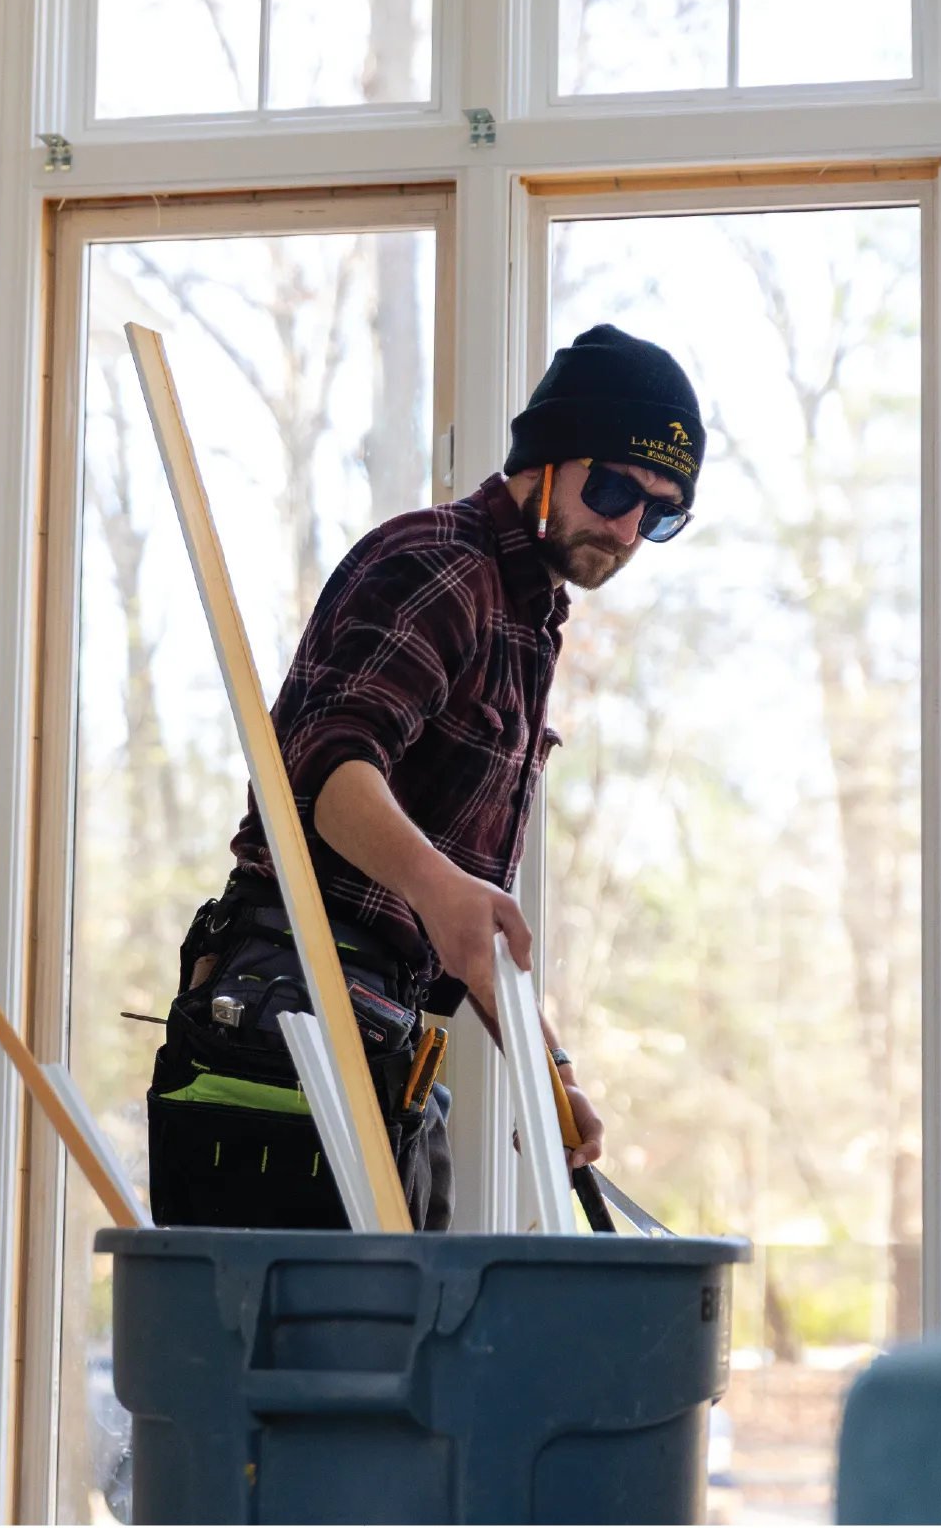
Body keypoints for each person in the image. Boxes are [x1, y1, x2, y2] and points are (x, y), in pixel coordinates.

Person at [145, 323, 706, 1231]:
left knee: (405, 1357)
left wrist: (546, 1069)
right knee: (311, 1365)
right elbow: (321, 771)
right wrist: (439, 887)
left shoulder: (529, 621)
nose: (630, 525)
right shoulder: (439, 565)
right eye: (611, 487)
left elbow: (458, 917)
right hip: (294, 1015)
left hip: (384, 1031)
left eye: (663, 513)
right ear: (548, 457)